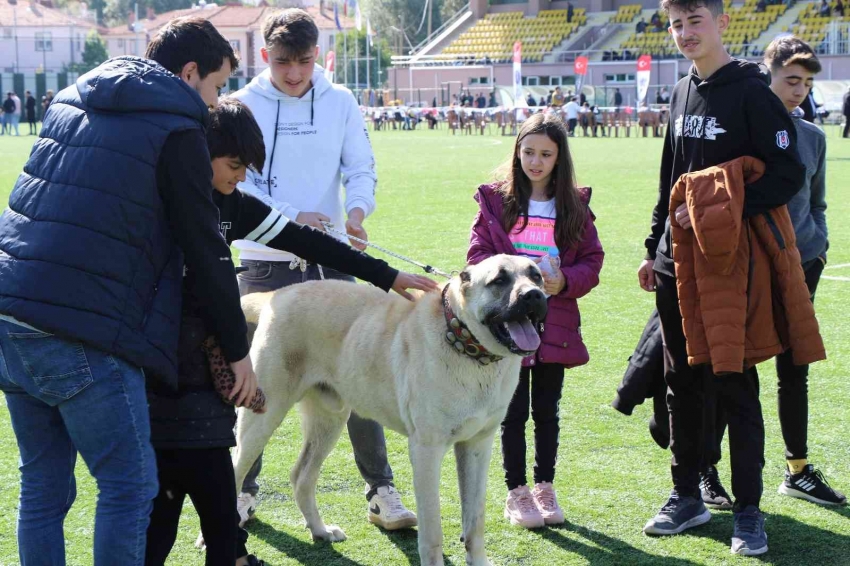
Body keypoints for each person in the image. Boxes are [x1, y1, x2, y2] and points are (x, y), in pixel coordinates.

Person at [0, 16, 258, 566]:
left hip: (10, 311)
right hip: (81, 328)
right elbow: (207, 251)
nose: (216, 104)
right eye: (215, 87)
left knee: (44, 488)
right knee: (130, 486)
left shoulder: (72, 99)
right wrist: (238, 353)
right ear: (189, 73)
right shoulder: (180, 129)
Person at [144, 98, 435, 566]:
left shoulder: (235, 204)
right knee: (164, 479)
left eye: (246, 169)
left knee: (211, 448)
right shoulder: (162, 194)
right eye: (234, 166)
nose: (240, 177)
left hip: (208, 346)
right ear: (201, 152)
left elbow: (308, 241)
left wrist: (388, 276)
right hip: (160, 353)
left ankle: (229, 550)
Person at [231, 8, 419, 531]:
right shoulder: (242, 104)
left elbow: (361, 167)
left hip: (335, 264)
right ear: (263, 54)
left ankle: (381, 491)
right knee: (252, 388)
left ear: (319, 56)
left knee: (364, 374)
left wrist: (356, 212)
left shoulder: (339, 101)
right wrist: (292, 219)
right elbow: (237, 185)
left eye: (305, 61)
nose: (294, 73)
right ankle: (240, 494)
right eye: (283, 61)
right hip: (266, 262)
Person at [637, 0, 805, 556]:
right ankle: (686, 495)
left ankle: (749, 511)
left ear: (721, 23)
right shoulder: (682, 90)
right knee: (681, 382)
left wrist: (723, 213)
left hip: (731, 269)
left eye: (695, 22)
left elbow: (787, 173)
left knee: (736, 385)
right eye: (676, 24)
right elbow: (671, 178)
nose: (684, 34)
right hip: (673, 264)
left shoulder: (752, 92)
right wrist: (652, 246)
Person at [698, 36, 845, 510]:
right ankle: (706, 471)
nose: (799, 90)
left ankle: (797, 470)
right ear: (768, 74)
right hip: (750, 265)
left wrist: (815, 247)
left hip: (802, 265)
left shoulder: (815, 137)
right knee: (734, 367)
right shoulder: (743, 126)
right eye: (790, 80)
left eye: (805, 83)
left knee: (794, 368)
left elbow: (816, 203)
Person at [467, 112, 603, 529]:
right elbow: (476, 257)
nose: (536, 162)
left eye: (546, 154)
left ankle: (544, 486)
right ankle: (516, 492)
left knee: (546, 409)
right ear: (517, 152)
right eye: (528, 152)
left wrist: (564, 281)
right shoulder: (496, 200)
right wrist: (504, 282)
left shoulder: (573, 205)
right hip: (506, 326)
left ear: (559, 158)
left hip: (554, 319)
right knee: (512, 410)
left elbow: (592, 260)